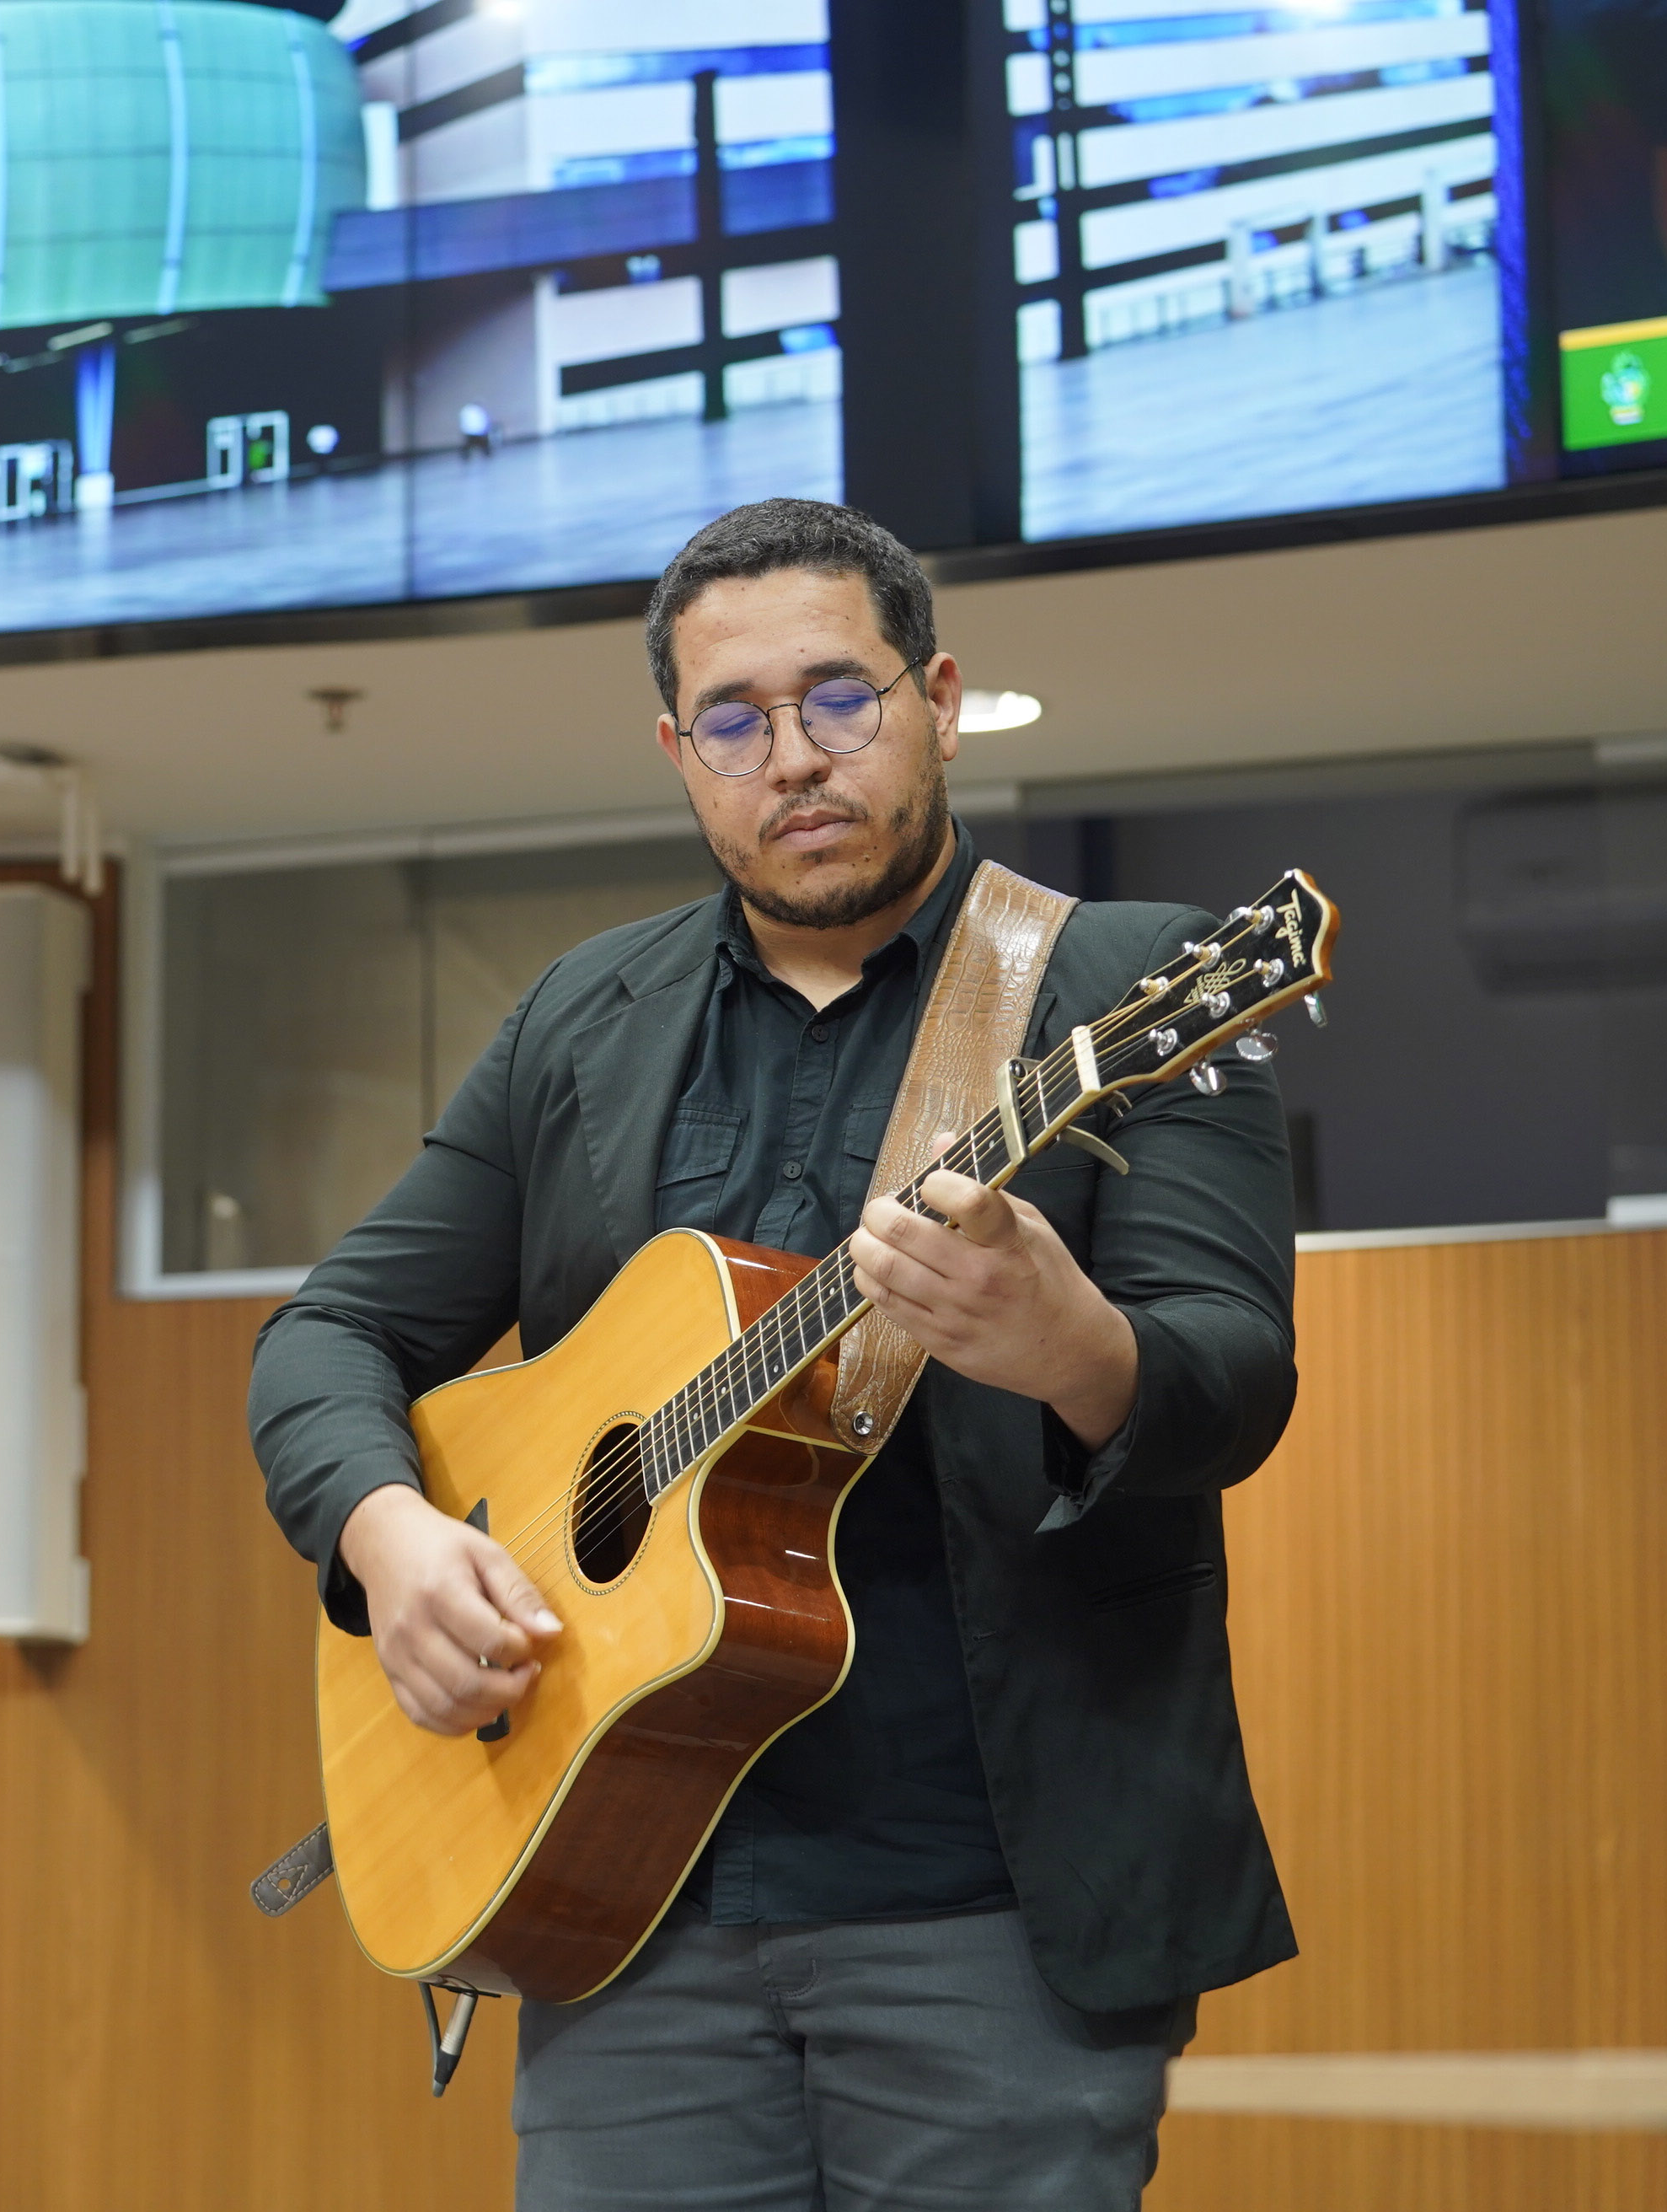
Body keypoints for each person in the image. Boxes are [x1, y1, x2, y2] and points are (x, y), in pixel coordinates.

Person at [249, 498, 1299, 2211]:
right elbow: (331, 1332)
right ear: (679, 751)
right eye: (734, 720)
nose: (793, 756)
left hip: (996, 1913)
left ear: (936, 700)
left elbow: (1232, 1379)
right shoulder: (582, 1019)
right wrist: (390, 1536)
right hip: (621, 1898)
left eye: (839, 697)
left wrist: (1073, 1347)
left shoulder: (1129, 983)